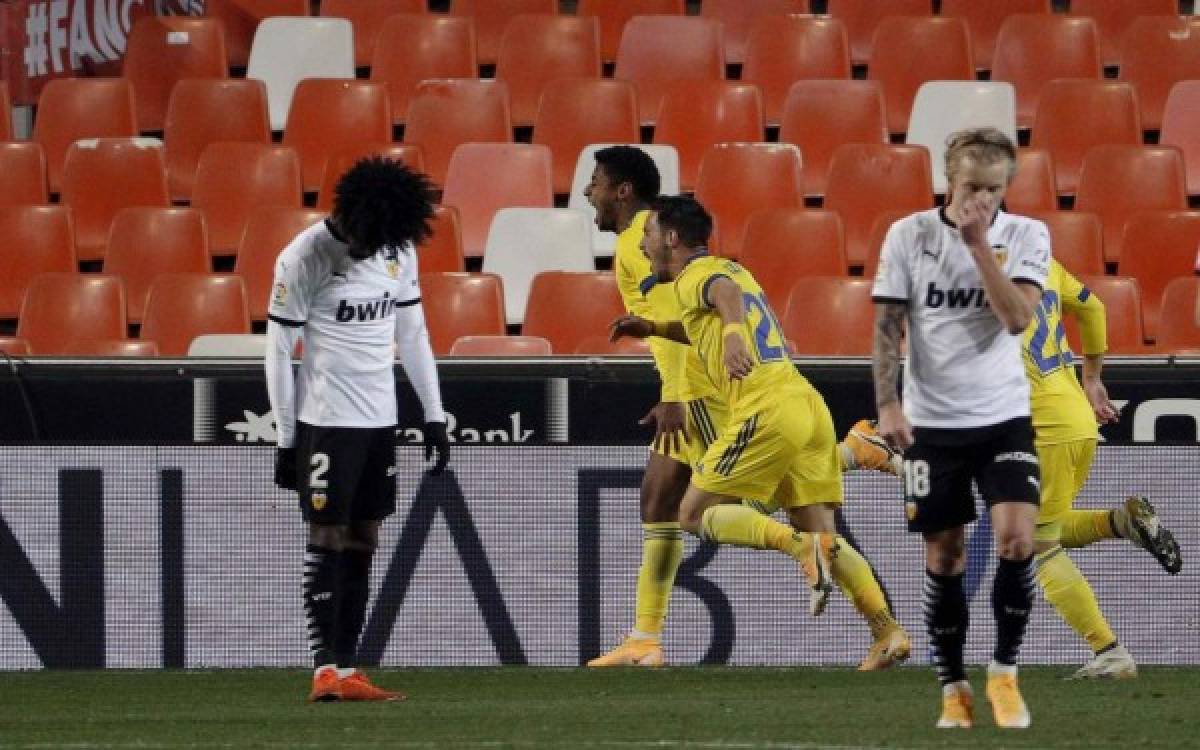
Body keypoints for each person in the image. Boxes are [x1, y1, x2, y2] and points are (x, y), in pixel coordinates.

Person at [610, 194, 910, 669]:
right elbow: (706, 319)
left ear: (670, 238)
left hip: (765, 409)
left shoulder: (695, 276)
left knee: (691, 514)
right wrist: (650, 326)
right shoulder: (734, 271)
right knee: (826, 535)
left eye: (648, 235)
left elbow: (721, 302)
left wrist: (731, 337)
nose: (643, 246)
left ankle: (798, 546)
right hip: (806, 405)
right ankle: (887, 632)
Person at [872, 128, 1047, 730]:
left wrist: (978, 247)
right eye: (972, 187)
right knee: (945, 557)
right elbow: (886, 324)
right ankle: (953, 687)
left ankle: (1004, 673)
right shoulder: (908, 235)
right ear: (950, 180)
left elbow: (1017, 318)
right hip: (933, 426)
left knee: (1017, 540)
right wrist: (888, 405)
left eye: (995, 189)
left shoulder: (1025, 236)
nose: (983, 200)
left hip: (1003, 417)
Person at [265, 157, 451, 702]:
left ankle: (348, 668)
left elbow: (413, 334)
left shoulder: (396, 246)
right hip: (326, 422)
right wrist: (285, 436)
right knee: (326, 535)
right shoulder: (304, 257)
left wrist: (433, 414)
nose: (374, 251)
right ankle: (323, 668)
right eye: (368, 241)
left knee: (365, 538)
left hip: (379, 421)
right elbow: (279, 351)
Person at [1023, 258, 1182, 680]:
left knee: (1037, 544)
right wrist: (1091, 378)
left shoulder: (974, 280)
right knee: (1046, 528)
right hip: (1078, 418)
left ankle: (1109, 651)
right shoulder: (1040, 260)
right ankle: (1122, 521)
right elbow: (1093, 307)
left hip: (1045, 426)